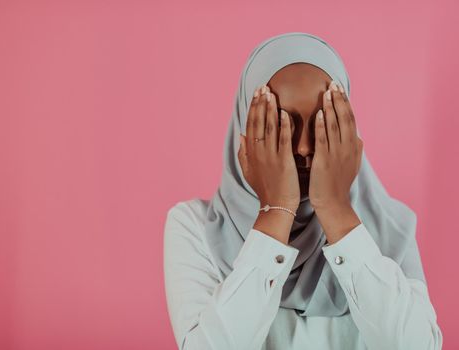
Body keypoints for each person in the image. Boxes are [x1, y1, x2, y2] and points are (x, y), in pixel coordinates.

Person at [163, 32, 443, 350]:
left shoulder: (389, 227)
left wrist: (337, 211)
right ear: (246, 127)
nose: (305, 146)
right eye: (283, 125)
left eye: (323, 123)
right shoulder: (194, 228)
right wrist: (277, 210)